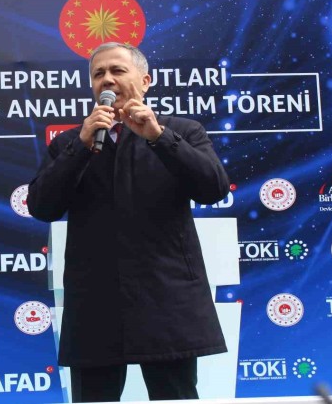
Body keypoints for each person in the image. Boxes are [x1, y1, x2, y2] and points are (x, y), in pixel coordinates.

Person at [27, 42, 230, 402]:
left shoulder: (183, 131)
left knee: (175, 396)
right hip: (95, 303)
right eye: (98, 74)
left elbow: (213, 189)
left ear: (145, 81)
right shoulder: (72, 142)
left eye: (117, 70)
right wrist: (80, 147)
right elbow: (42, 207)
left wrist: (159, 137)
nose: (107, 79)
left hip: (167, 297)